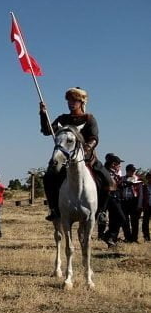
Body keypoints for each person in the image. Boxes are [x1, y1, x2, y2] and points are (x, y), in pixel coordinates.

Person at [40, 87, 113, 221]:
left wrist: (86, 148)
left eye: (75, 100)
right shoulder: (63, 118)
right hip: (66, 158)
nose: (71, 103)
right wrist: (43, 114)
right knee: (49, 178)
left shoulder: (89, 118)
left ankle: (101, 212)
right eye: (69, 100)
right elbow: (47, 130)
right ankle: (54, 209)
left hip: (87, 158)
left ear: (81, 102)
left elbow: (94, 138)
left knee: (108, 180)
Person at [101, 154, 126, 247]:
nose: (120, 165)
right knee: (121, 218)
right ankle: (108, 236)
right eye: (118, 164)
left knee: (114, 220)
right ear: (113, 164)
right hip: (110, 198)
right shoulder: (106, 172)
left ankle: (111, 240)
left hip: (115, 197)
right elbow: (108, 186)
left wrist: (123, 184)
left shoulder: (113, 173)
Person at [120, 164, 142, 243]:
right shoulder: (122, 179)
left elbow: (141, 194)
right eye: (131, 171)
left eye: (134, 171)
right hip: (124, 201)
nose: (133, 172)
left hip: (134, 201)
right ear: (127, 171)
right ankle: (127, 237)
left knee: (134, 221)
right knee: (125, 221)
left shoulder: (138, 179)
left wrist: (139, 205)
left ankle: (134, 238)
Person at [140, 171, 151, 243]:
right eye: (149, 178)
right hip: (147, 207)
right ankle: (147, 238)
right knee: (145, 223)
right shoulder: (144, 187)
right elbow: (141, 197)